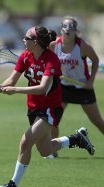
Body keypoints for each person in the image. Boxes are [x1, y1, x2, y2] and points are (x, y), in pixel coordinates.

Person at [0, 26, 95, 187]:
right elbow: (11, 80)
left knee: (26, 141)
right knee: (45, 150)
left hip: (51, 108)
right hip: (33, 107)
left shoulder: (51, 60)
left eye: (27, 38)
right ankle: (76, 139)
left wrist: (15, 90)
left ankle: (13, 185)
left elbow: (42, 88)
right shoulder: (25, 56)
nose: (24, 40)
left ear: (36, 42)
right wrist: (0, 86)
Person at [48, 16, 104, 158]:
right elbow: (48, 62)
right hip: (63, 87)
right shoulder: (54, 45)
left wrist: (91, 81)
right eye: (65, 29)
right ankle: (52, 151)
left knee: (97, 121)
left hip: (82, 88)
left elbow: (96, 60)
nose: (68, 32)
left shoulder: (82, 46)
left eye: (71, 30)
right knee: (54, 120)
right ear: (61, 30)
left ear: (75, 31)